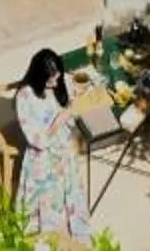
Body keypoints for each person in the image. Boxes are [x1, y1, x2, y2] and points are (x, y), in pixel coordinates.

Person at [15, 46, 92, 245]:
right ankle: (51, 233)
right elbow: (35, 139)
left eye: (57, 77)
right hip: (41, 150)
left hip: (63, 144)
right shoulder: (24, 97)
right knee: (48, 188)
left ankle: (71, 232)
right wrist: (58, 122)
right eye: (52, 79)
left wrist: (72, 104)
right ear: (40, 77)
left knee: (71, 188)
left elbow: (71, 106)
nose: (56, 82)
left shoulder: (60, 83)